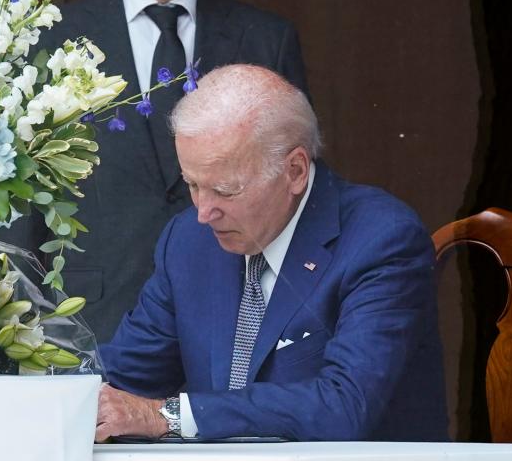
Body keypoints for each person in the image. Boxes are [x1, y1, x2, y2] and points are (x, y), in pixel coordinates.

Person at [11, 0, 308, 342]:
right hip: (85, 324)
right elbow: (19, 211)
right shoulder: (47, 40)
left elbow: (295, 196)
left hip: (233, 322)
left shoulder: (266, 42)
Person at [95, 64, 448, 442]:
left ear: (294, 170)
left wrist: (170, 415)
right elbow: (125, 378)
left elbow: (344, 405)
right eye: (193, 185)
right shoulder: (187, 241)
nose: (203, 212)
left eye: (226, 190)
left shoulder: (381, 240)